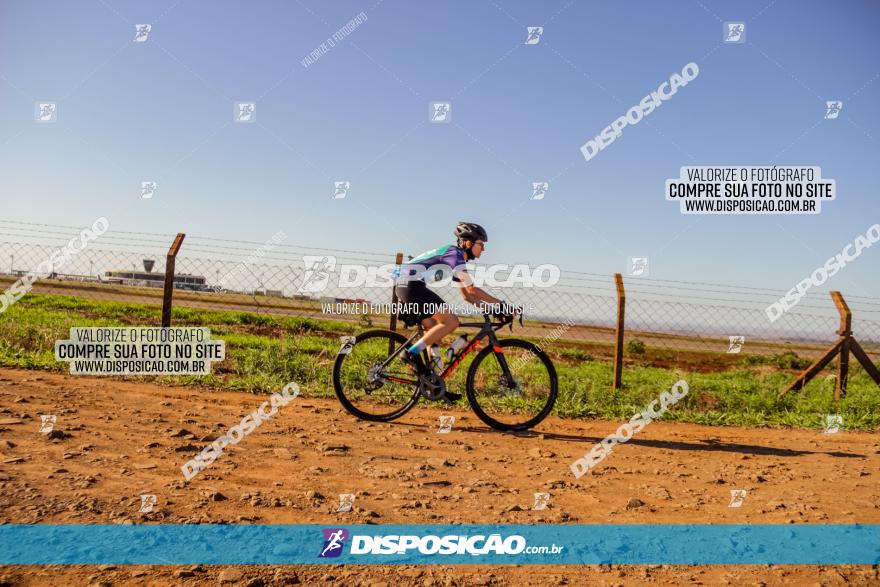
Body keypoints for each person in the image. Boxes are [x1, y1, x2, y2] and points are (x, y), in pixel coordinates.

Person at [394, 222, 520, 399]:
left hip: (407, 284)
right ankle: (410, 354)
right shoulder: (455, 254)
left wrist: (492, 310)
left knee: (433, 328)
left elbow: (467, 297)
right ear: (468, 243)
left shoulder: (456, 259)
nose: (483, 249)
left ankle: (433, 385)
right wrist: (501, 305)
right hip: (411, 285)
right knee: (451, 321)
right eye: (481, 244)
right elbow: (472, 290)